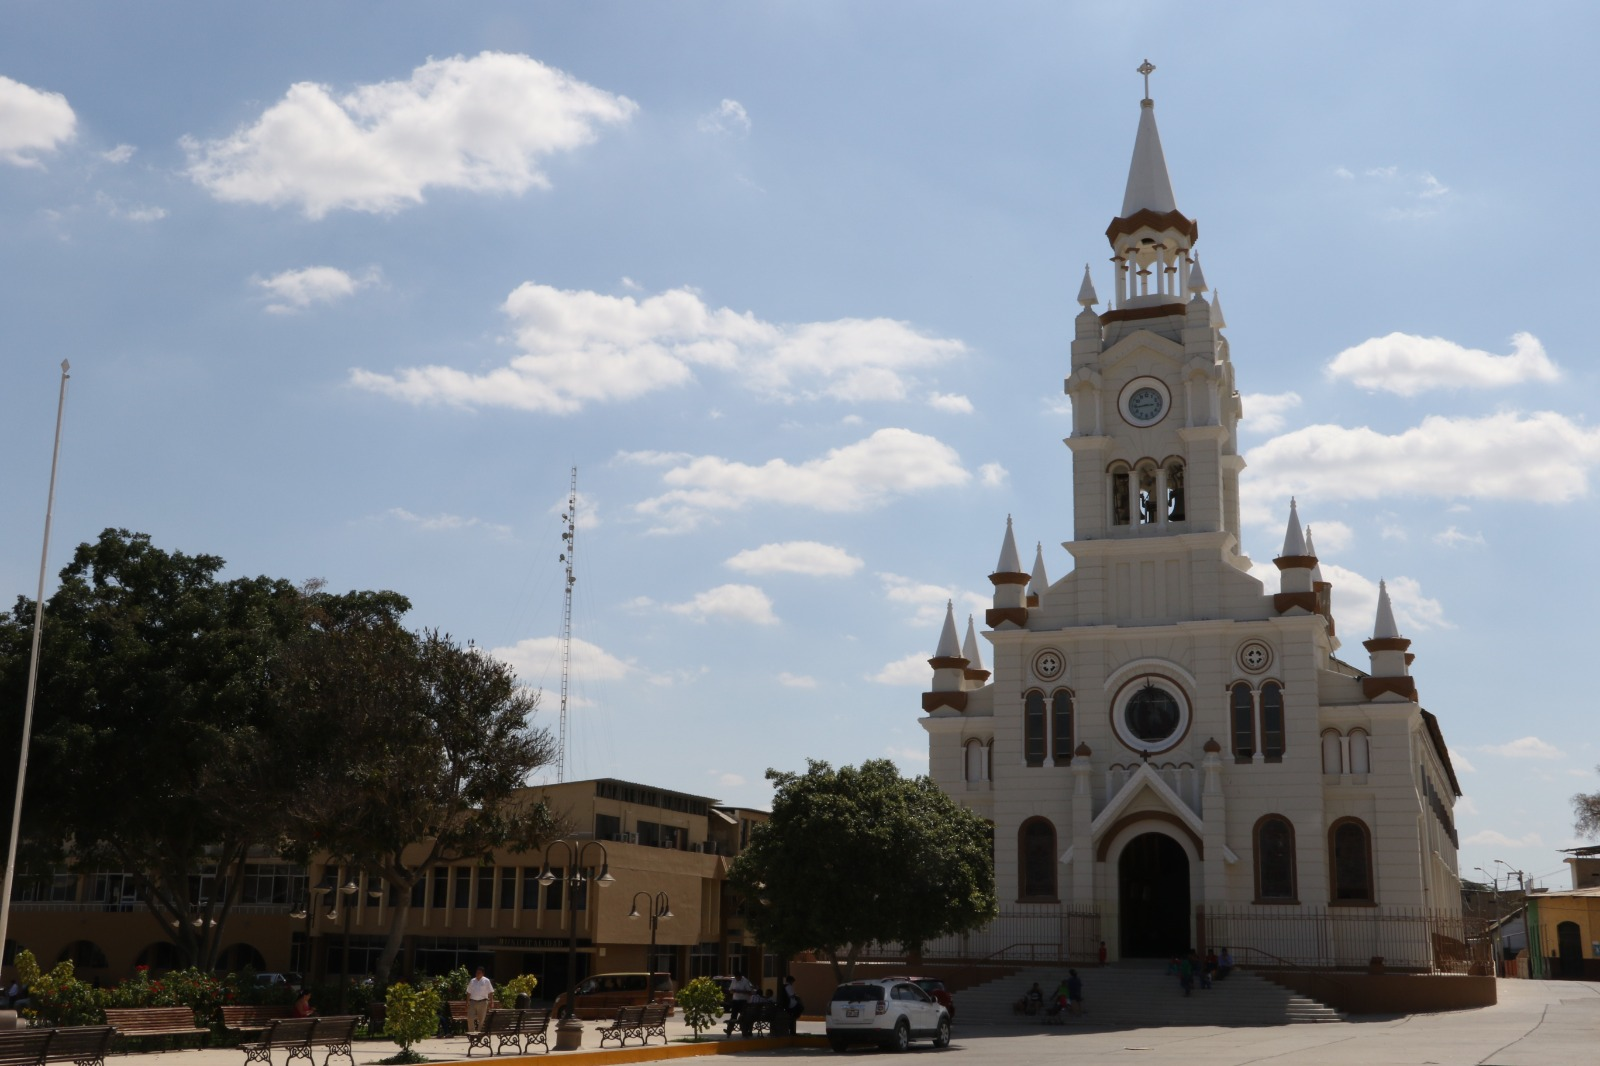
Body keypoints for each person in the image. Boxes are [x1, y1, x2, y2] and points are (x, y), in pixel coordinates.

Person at [466, 966, 494, 1033]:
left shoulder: (486, 981)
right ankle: (471, 1033)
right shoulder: (472, 981)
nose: (477, 974)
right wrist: (467, 1002)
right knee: (470, 1018)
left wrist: (491, 1001)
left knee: (481, 1019)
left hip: (483, 1002)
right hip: (472, 1001)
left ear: (482, 974)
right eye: (476, 972)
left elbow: (490, 992)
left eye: (479, 973)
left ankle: (479, 1033)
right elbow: (468, 992)